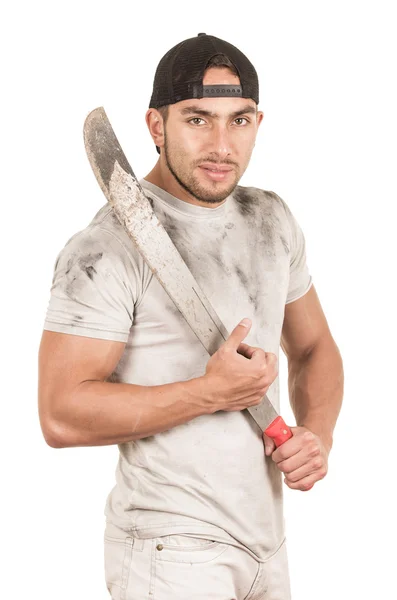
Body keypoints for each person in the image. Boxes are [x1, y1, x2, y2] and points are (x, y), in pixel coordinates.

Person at [38, 33, 344, 600]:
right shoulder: (106, 248)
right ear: (156, 126)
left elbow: (315, 347)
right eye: (198, 120)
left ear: (258, 121)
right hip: (170, 550)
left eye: (240, 120)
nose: (222, 144)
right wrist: (208, 393)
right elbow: (60, 414)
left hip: (267, 542)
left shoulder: (271, 218)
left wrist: (316, 435)